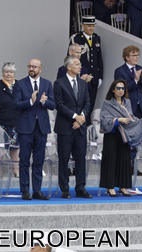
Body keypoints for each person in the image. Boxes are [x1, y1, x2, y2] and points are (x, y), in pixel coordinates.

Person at [14, 58, 55, 200]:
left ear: (40, 69)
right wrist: (30, 101)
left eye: (34, 67)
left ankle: (37, 190)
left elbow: (53, 104)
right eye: (30, 66)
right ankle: (25, 190)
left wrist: (45, 102)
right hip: (26, 128)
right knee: (24, 160)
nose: (31, 69)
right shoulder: (20, 84)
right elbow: (16, 104)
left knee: (39, 161)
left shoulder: (47, 84)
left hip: (41, 128)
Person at [54, 56, 91, 199]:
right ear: (68, 67)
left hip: (80, 128)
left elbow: (87, 103)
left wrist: (81, 118)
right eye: (77, 64)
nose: (80, 67)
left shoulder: (82, 83)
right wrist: (75, 116)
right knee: (64, 159)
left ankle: (80, 187)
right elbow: (59, 104)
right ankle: (65, 188)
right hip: (65, 127)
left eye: (79, 64)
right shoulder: (59, 83)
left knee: (80, 158)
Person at [114, 46, 142, 177]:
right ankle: (125, 166)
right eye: (133, 55)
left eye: (137, 55)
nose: (136, 58)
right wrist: (135, 80)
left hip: (140, 108)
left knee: (137, 139)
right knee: (127, 139)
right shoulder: (120, 71)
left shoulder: (141, 68)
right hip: (127, 109)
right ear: (127, 57)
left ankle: (133, 166)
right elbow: (123, 89)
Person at [99, 80, 134, 197]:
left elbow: (131, 116)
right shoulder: (107, 103)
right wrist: (118, 120)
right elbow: (104, 119)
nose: (120, 90)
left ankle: (123, 186)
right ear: (113, 90)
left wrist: (133, 120)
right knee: (111, 160)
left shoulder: (127, 102)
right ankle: (110, 187)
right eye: (118, 88)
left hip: (124, 134)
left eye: (122, 88)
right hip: (112, 134)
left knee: (124, 160)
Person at [0, 62, 19, 176]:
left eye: (11, 72)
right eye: (6, 72)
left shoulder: (20, 85)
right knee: (0, 148)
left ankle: (16, 170)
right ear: (3, 73)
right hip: (1, 122)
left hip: (16, 122)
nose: (9, 74)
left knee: (15, 148)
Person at [74, 16, 103, 108]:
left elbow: (99, 58)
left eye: (93, 25)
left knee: (91, 102)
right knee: (81, 102)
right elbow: (71, 58)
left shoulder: (96, 38)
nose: (91, 28)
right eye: (89, 25)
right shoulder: (77, 38)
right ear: (83, 26)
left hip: (94, 77)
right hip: (82, 76)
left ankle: (88, 121)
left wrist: (100, 76)